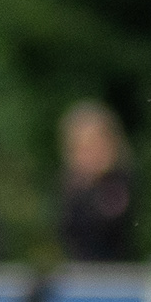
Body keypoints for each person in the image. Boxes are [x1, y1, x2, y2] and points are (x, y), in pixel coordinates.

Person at [54, 101, 140, 264]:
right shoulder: (70, 185)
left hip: (114, 271)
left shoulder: (118, 181)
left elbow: (108, 223)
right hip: (80, 271)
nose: (88, 155)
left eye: (94, 146)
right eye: (81, 148)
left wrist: (95, 182)